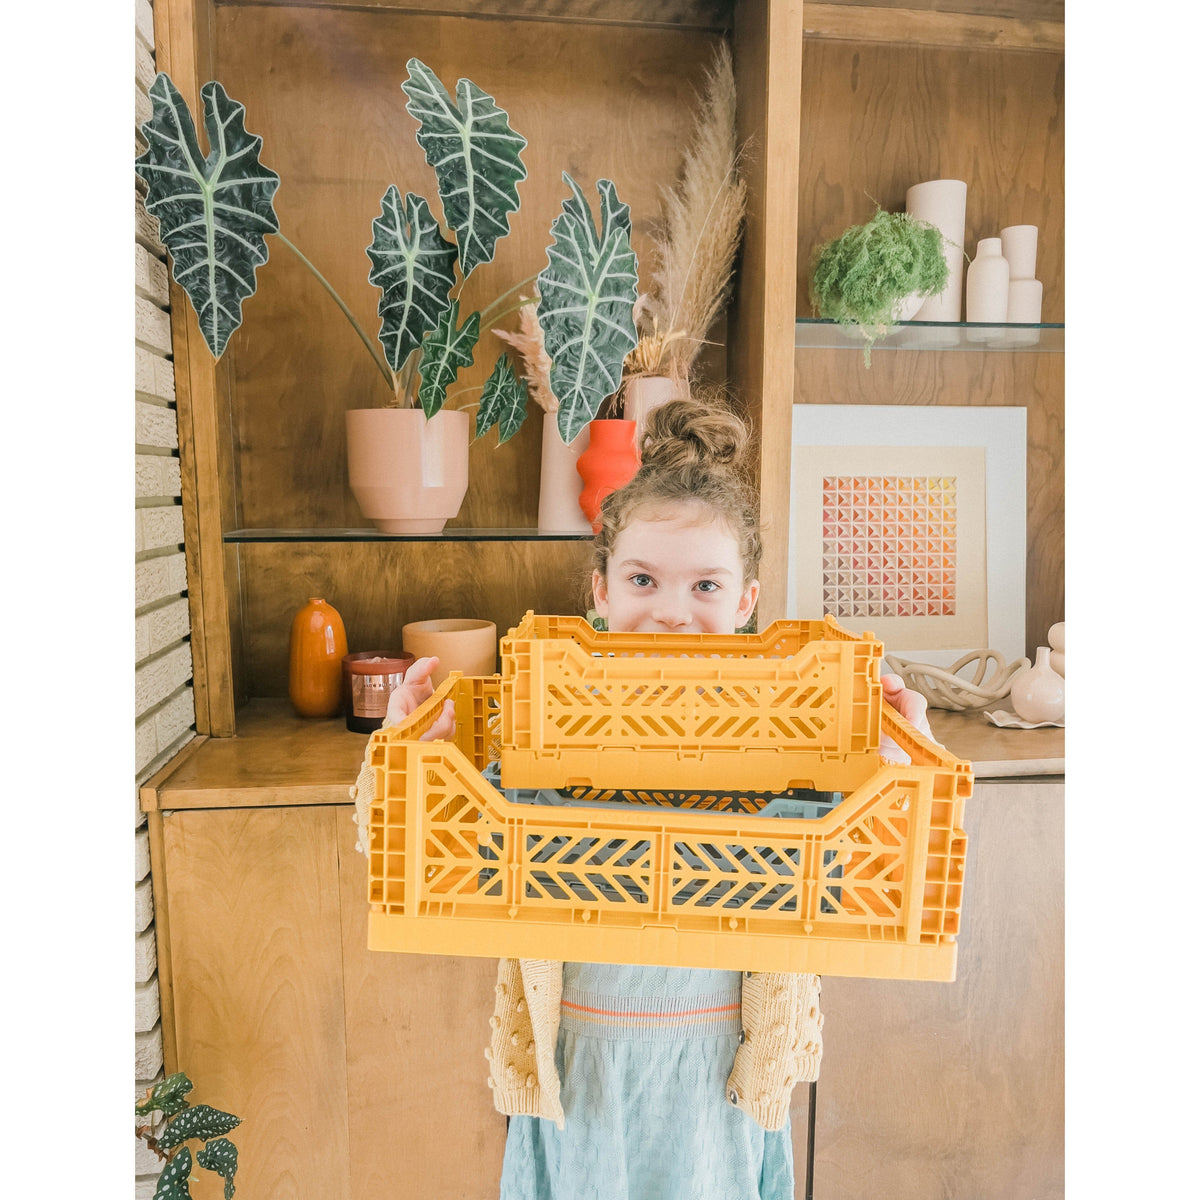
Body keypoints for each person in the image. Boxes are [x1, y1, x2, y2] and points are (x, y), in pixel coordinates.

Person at [353, 397, 933, 1200]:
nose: (670, 609)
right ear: (599, 591)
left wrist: (894, 765)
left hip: (716, 1077)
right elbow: (453, 850)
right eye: (641, 578)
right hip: (581, 1068)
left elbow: (845, 869)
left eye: (705, 583)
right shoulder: (544, 718)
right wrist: (413, 753)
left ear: (745, 602)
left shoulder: (791, 734)